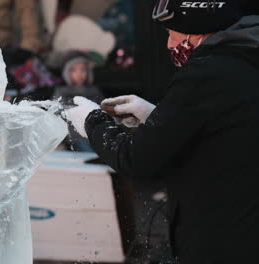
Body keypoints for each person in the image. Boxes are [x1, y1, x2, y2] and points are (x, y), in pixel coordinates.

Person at [67, 0, 259, 263]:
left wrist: (91, 121)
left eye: (171, 32)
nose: (169, 44)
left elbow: (134, 158)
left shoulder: (206, 73)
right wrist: (158, 116)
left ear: (196, 27)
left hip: (220, 240)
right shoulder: (245, 58)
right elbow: (221, 130)